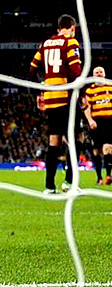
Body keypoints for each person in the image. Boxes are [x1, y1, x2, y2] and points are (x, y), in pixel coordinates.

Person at [29, 14, 83, 194]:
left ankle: (49, 186)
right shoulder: (70, 42)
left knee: (54, 141)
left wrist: (39, 93)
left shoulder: (44, 44)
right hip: (67, 98)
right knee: (77, 140)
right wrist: (81, 93)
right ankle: (70, 183)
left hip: (51, 98)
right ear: (72, 29)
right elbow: (76, 71)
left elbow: (31, 71)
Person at [82, 66, 112, 185]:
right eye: (96, 72)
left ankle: (108, 176)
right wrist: (90, 120)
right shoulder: (89, 91)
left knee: (108, 148)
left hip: (108, 121)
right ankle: (99, 177)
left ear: (104, 74)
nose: (99, 74)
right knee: (96, 151)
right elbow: (86, 107)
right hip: (96, 122)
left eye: (101, 72)